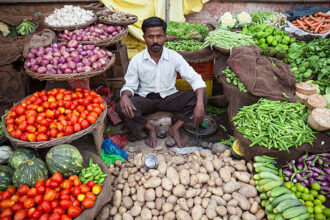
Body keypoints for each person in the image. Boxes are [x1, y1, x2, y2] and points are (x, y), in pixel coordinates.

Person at [116, 17, 207, 148]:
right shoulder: (137, 60)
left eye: (159, 36)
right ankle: (150, 128)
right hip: (146, 99)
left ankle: (175, 128)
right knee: (121, 106)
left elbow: (195, 79)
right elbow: (130, 85)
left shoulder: (174, 57)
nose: (155, 41)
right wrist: (124, 96)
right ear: (144, 37)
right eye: (150, 37)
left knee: (201, 96)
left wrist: (199, 103)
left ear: (165, 36)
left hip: (169, 98)